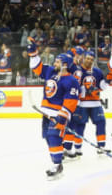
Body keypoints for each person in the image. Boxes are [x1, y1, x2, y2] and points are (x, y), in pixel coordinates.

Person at [28, 38, 79, 180]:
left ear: (65, 65)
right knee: (48, 138)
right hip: (46, 113)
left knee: (53, 136)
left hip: (58, 114)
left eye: (57, 62)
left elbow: (71, 102)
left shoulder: (71, 81)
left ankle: (56, 165)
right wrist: (33, 53)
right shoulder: (50, 71)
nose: (54, 63)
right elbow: (37, 67)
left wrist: (62, 118)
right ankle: (57, 161)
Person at [70, 50, 109, 156]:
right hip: (81, 104)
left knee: (101, 122)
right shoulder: (77, 70)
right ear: (84, 58)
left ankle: (101, 146)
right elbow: (73, 85)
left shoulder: (97, 71)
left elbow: (102, 87)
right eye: (88, 58)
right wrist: (84, 89)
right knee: (80, 125)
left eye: (92, 59)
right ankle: (78, 148)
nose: (89, 61)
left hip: (95, 103)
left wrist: (107, 82)